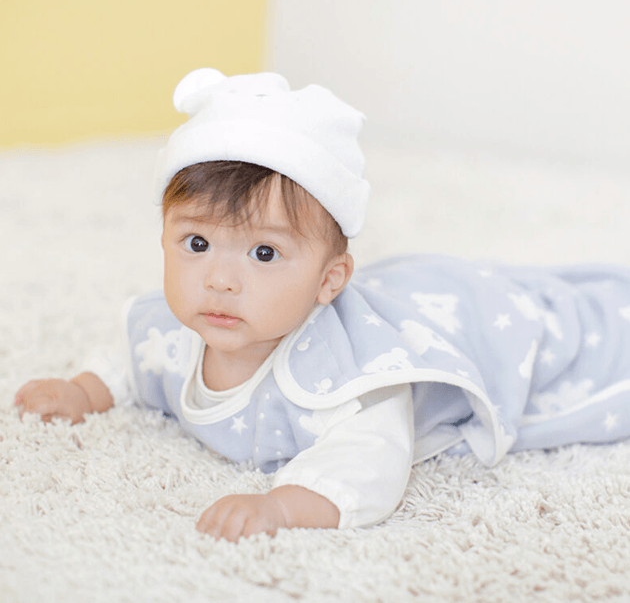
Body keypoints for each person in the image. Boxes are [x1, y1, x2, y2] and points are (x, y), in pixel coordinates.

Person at [14, 68, 630, 542]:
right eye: (196, 243)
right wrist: (83, 390)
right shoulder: (173, 329)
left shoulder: (349, 375)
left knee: (571, 330)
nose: (220, 280)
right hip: (403, 285)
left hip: (460, 315)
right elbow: (131, 359)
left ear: (329, 281)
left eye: (264, 253)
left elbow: (371, 462)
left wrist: (282, 507)